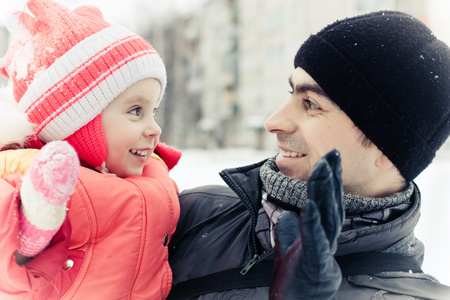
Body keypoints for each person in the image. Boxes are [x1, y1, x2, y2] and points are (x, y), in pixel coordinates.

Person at [167, 10, 450, 299]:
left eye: (311, 104)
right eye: (291, 93)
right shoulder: (192, 212)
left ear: (387, 150)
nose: (273, 122)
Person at [0, 0, 181, 299]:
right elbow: (9, 262)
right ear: (77, 123)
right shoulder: (37, 179)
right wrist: (36, 221)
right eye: (136, 110)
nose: (155, 129)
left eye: (154, 111)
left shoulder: (156, 177)